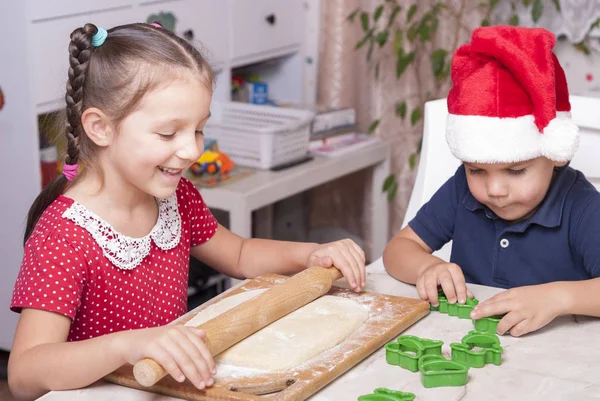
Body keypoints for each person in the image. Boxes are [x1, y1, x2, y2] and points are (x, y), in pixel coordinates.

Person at [8, 22, 367, 400]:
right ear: (100, 127)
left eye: (198, 130)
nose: (193, 150)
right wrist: (125, 347)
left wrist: (310, 254)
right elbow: (24, 373)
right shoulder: (64, 235)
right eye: (168, 134)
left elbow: (240, 254)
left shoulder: (174, 198)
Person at [383, 26, 600, 339]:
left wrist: (558, 298)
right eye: (476, 171)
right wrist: (425, 267)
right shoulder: (462, 191)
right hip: (468, 345)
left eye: (515, 171)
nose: (494, 190)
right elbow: (398, 249)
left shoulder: (582, 207)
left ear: (555, 155)